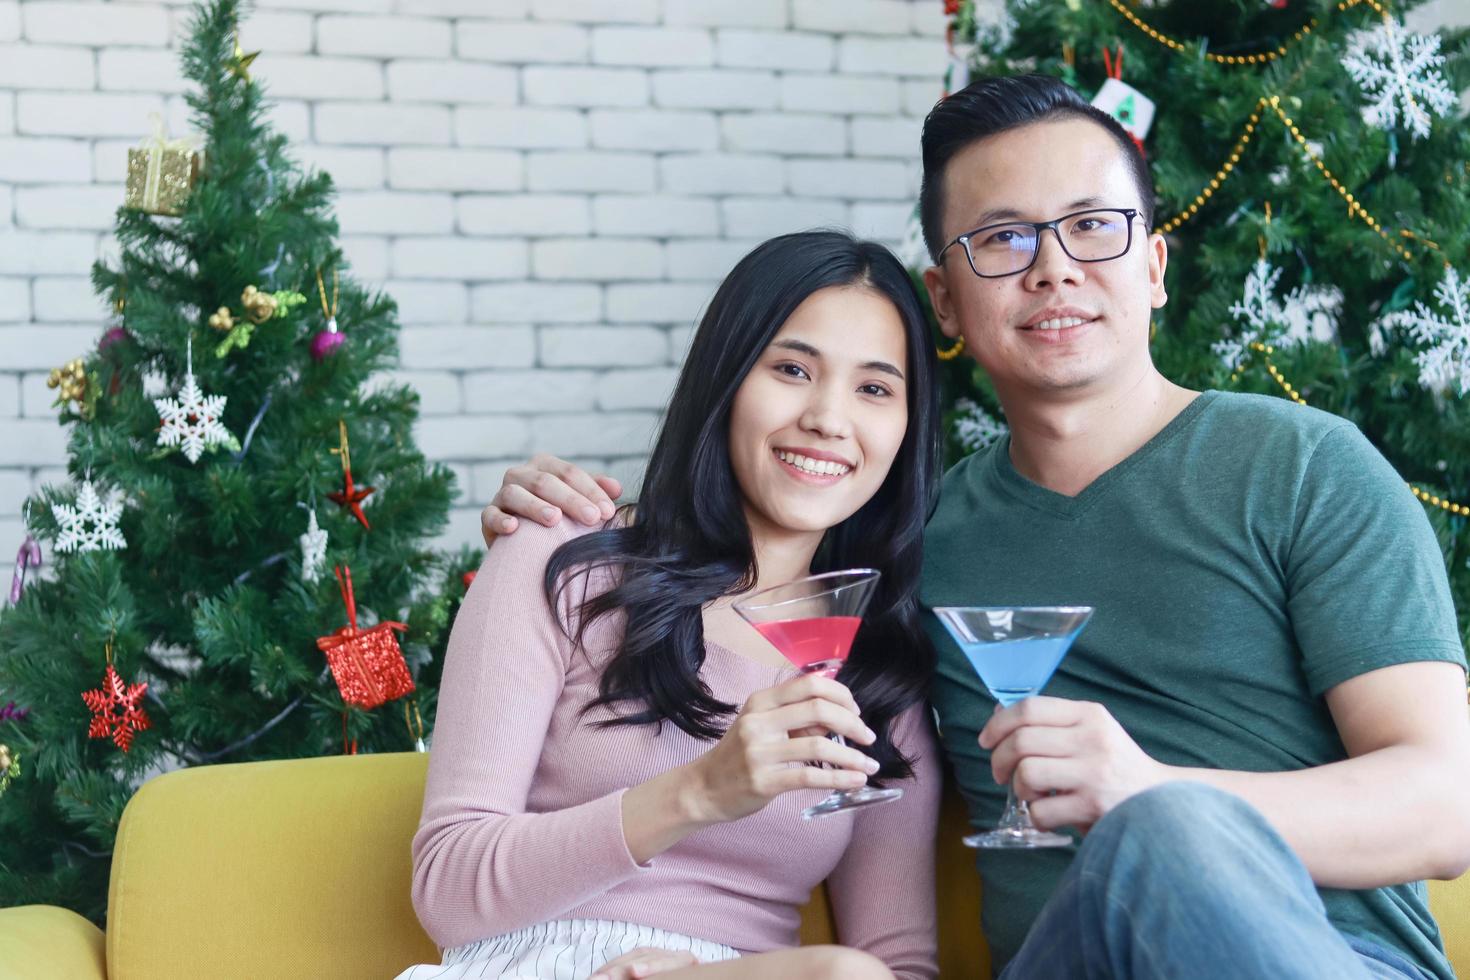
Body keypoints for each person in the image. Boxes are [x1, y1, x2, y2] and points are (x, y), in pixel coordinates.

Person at [481, 73, 1470, 979]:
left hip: (1335, 958)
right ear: (946, 300)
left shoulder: (1302, 467)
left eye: (1094, 226)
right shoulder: (909, 541)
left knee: (1168, 833)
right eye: (1003, 238)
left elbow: (1449, 802)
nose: (1054, 269)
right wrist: (565, 515)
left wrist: (1149, 790)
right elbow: (739, 540)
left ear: (1156, 264)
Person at [402, 230, 944, 980]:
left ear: (907, 429)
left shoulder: (878, 674)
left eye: (875, 389)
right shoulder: (565, 563)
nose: (829, 417)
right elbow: (447, 888)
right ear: (725, 380)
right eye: (792, 368)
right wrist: (701, 791)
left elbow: (900, 963)